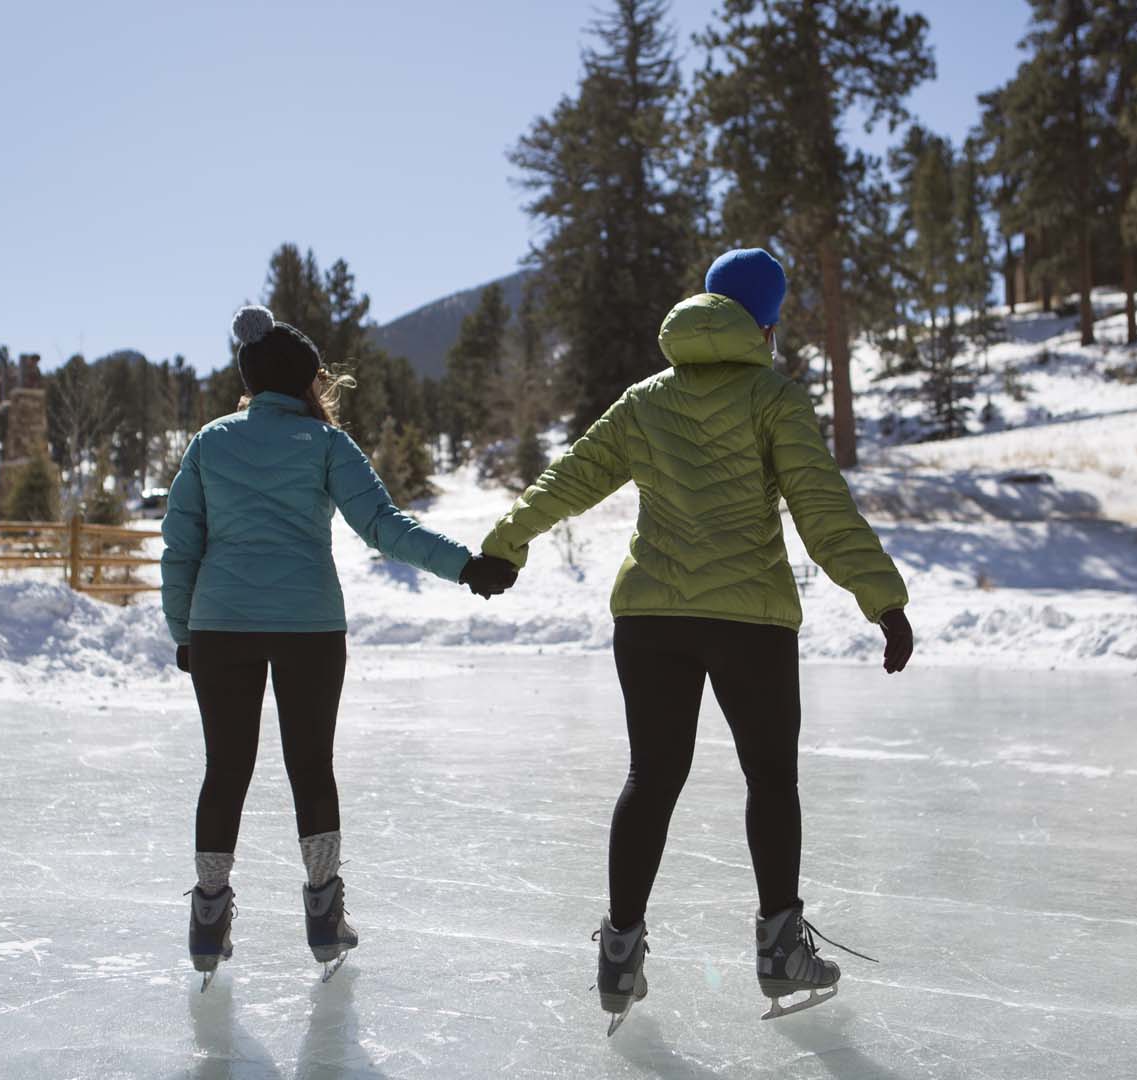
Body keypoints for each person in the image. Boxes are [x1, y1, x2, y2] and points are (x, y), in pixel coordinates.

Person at [480, 249, 913, 1027]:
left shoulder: (645, 398)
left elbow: (570, 477)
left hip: (650, 620)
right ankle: (781, 951)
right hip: (749, 623)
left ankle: (618, 954)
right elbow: (822, 510)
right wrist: (882, 601)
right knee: (770, 779)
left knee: (652, 778)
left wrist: (504, 542)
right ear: (766, 324)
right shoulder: (772, 397)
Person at [162, 305, 517, 987]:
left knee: (225, 768)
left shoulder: (211, 441)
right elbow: (383, 526)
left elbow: (181, 548)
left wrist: (185, 633)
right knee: (311, 766)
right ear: (306, 383)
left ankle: (209, 916)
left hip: (221, 627)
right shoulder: (325, 446)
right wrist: (465, 566)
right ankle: (324, 917)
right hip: (308, 627)